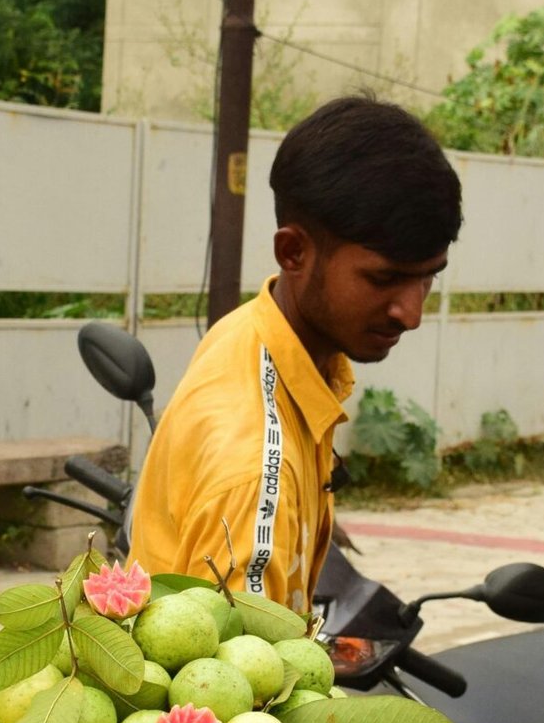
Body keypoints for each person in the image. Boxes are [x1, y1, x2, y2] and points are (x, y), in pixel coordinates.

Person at [132, 95, 462, 609]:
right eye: (385, 279)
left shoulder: (251, 333)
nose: (411, 312)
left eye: (428, 278)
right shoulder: (252, 468)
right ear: (293, 252)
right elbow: (234, 683)